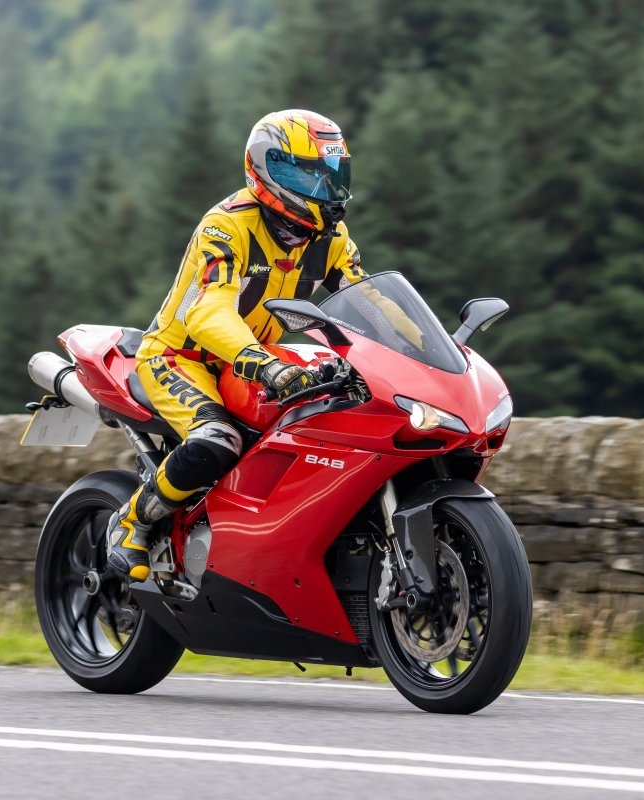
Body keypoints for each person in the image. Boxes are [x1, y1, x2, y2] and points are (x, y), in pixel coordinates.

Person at [106, 108, 418, 582]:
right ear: (267, 169)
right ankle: (132, 519)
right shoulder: (227, 227)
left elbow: (371, 302)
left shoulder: (330, 239)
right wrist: (262, 362)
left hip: (251, 361)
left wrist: (426, 350)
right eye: (309, 175)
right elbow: (208, 311)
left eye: (333, 175)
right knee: (218, 439)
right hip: (180, 357)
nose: (325, 189)